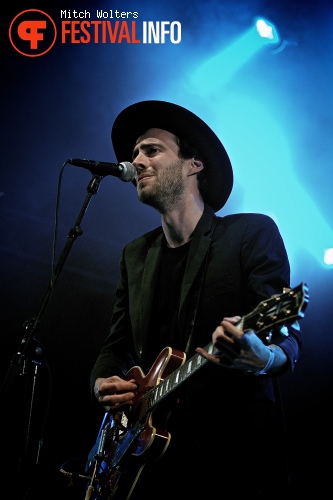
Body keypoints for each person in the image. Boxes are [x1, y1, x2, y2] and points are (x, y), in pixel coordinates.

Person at [88, 100, 302, 499]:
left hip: (230, 455)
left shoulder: (249, 234)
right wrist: (101, 381)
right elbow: (115, 346)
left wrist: (264, 358)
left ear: (194, 164)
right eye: (135, 153)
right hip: (149, 461)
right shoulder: (134, 255)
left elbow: (285, 335)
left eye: (151, 150)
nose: (136, 161)